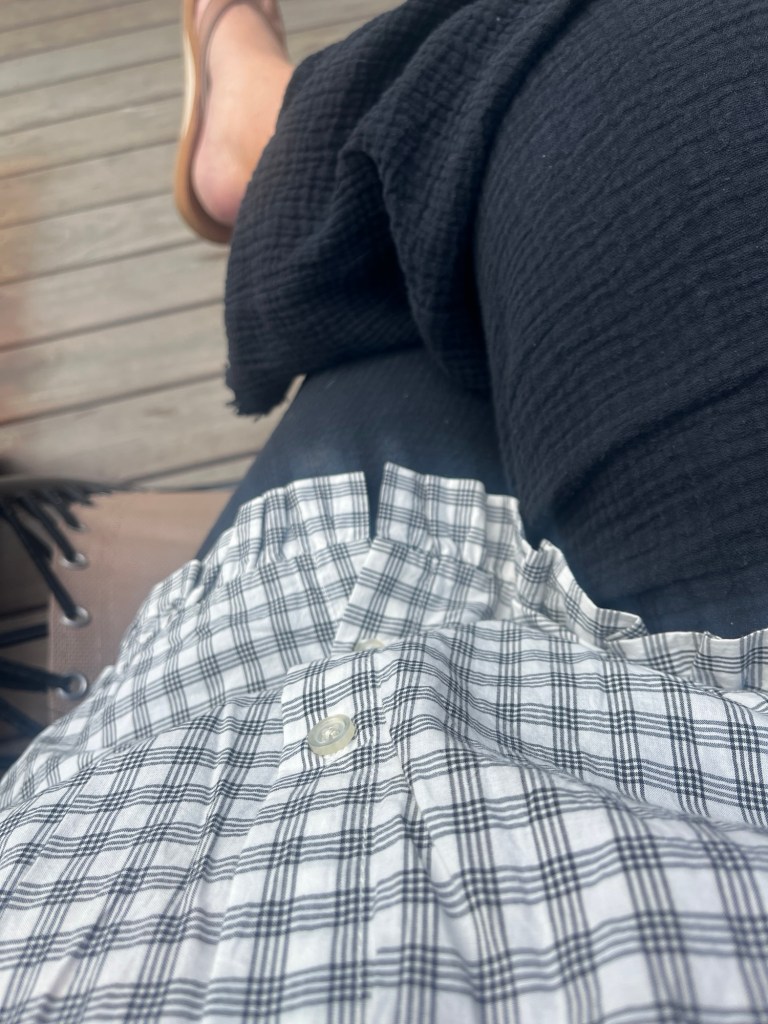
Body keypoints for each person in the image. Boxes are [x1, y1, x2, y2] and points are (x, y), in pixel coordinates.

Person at [2, 0, 768, 1020]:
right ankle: (277, 146)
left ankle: (276, 144)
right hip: (718, 701)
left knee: (429, 285)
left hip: (150, 819)